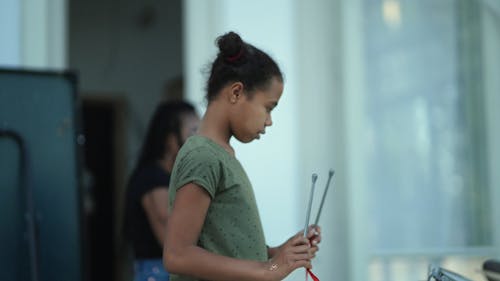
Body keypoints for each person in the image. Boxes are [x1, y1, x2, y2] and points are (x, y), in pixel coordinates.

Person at [163, 31, 322, 281]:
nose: (269, 121)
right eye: (268, 108)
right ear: (236, 92)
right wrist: (269, 270)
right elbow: (177, 255)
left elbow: (226, 250)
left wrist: (280, 254)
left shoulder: (221, 155)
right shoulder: (202, 156)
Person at [124, 100, 200, 281]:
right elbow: (173, 246)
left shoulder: (170, 177)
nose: (199, 139)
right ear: (169, 137)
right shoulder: (153, 179)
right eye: (193, 131)